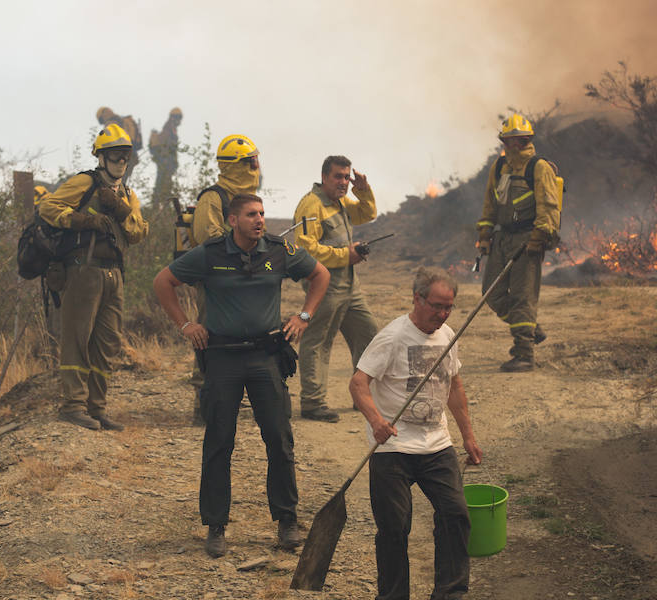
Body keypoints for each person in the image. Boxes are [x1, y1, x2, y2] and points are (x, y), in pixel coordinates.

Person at [153, 193, 330, 558]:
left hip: (266, 356)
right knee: (219, 440)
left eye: (262, 213)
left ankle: (286, 521)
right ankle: (215, 526)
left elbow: (320, 275)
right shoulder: (211, 253)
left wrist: (304, 316)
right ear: (233, 220)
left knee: (279, 439)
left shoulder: (279, 250)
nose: (260, 220)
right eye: (251, 215)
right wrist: (185, 324)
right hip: (222, 358)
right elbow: (163, 282)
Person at [350, 267, 482, 600]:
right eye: (437, 305)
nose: (442, 313)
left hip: (437, 446)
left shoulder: (448, 335)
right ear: (417, 298)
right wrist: (377, 421)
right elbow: (358, 383)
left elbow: (454, 386)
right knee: (394, 528)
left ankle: (450, 593)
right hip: (392, 447)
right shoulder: (392, 337)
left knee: (455, 515)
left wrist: (468, 435)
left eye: (448, 307)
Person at [39, 124, 149, 431]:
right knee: (78, 337)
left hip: (114, 274)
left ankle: (96, 407)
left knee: (108, 342)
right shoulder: (85, 182)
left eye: (125, 155)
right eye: (114, 155)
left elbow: (139, 232)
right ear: (101, 156)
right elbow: (48, 207)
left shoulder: (127, 194)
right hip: (83, 270)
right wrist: (82, 220)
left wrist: (120, 208)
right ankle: (73, 405)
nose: (120, 161)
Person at [293, 155, 379, 422]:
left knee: (368, 334)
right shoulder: (312, 205)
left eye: (346, 176)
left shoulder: (340, 201)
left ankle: (361, 396)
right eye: (338, 177)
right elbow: (306, 249)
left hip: (350, 286)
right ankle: (312, 402)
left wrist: (363, 190)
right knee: (318, 341)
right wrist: (345, 255)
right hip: (326, 286)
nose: (343, 182)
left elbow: (367, 214)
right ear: (324, 178)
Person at [186, 134, 263, 424]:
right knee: (210, 341)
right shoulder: (213, 198)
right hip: (217, 287)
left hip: (246, 283)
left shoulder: (248, 200)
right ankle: (203, 408)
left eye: (256, 160)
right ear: (236, 166)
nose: (256, 167)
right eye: (250, 162)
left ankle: (232, 401)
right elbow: (211, 241)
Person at [476, 113, 561, 372]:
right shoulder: (499, 167)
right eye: (509, 141)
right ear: (504, 142)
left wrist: (538, 238)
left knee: (523, 297)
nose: (514, 146)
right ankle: (531, 329)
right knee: (492, 292)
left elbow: (549, 205)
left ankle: (524, 353)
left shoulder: (539, 167)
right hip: (502, 237)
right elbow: (490, 202)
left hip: (528, 238)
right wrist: (485, 234)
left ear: (528, 140)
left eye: (520, 141)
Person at [96, 106, 143, 183]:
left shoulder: (111, 124)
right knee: (121, 181)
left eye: (101, 119)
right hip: (130, 154)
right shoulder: (122, 121)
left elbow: (107, 143)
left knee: (113, 181)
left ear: (103, 115)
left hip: (118, 156)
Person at [149, 107, 183, 204]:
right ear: (173, 117)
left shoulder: (171, 129)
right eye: (177, 117)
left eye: (179, 118)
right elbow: (167, 148)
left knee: (163, 184)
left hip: (166, 163)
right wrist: (168, 162)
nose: (178, 120)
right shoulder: (168, 129)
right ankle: (158, 205)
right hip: (165, 163)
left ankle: (161, 204)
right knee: (162, 185)